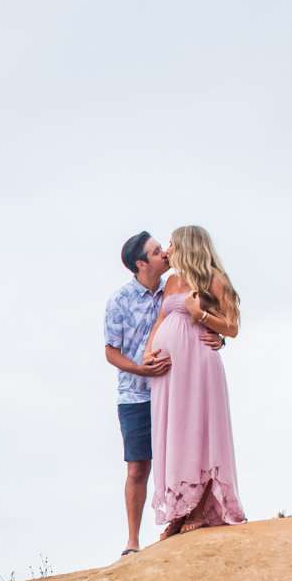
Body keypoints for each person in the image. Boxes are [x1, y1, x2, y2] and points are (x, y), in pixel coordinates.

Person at [103, 231, 222, 556]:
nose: (165, 254)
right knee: (138, 467)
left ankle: (185, 513)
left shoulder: (178, 282)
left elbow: (208, 316)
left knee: (183, 449)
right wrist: (142, 369)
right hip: (136, 393)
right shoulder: (120, 301)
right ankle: (132, 541)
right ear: (141, 263)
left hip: (176, 386)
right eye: (157, 252)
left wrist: (219, 338)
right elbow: (111, 352)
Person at [143, 225, 247, 536]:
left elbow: (232, 327)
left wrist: (199, 315)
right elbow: (161, 320)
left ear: (187, 246)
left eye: (172, 244)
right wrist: (149, 352)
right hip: (168, 372)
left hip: (199, 363)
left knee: (198, 431)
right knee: (173, 433)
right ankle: (178, 509)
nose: (167, 251)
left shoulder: (214, 279)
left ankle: (200, 507)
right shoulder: (172, 281)